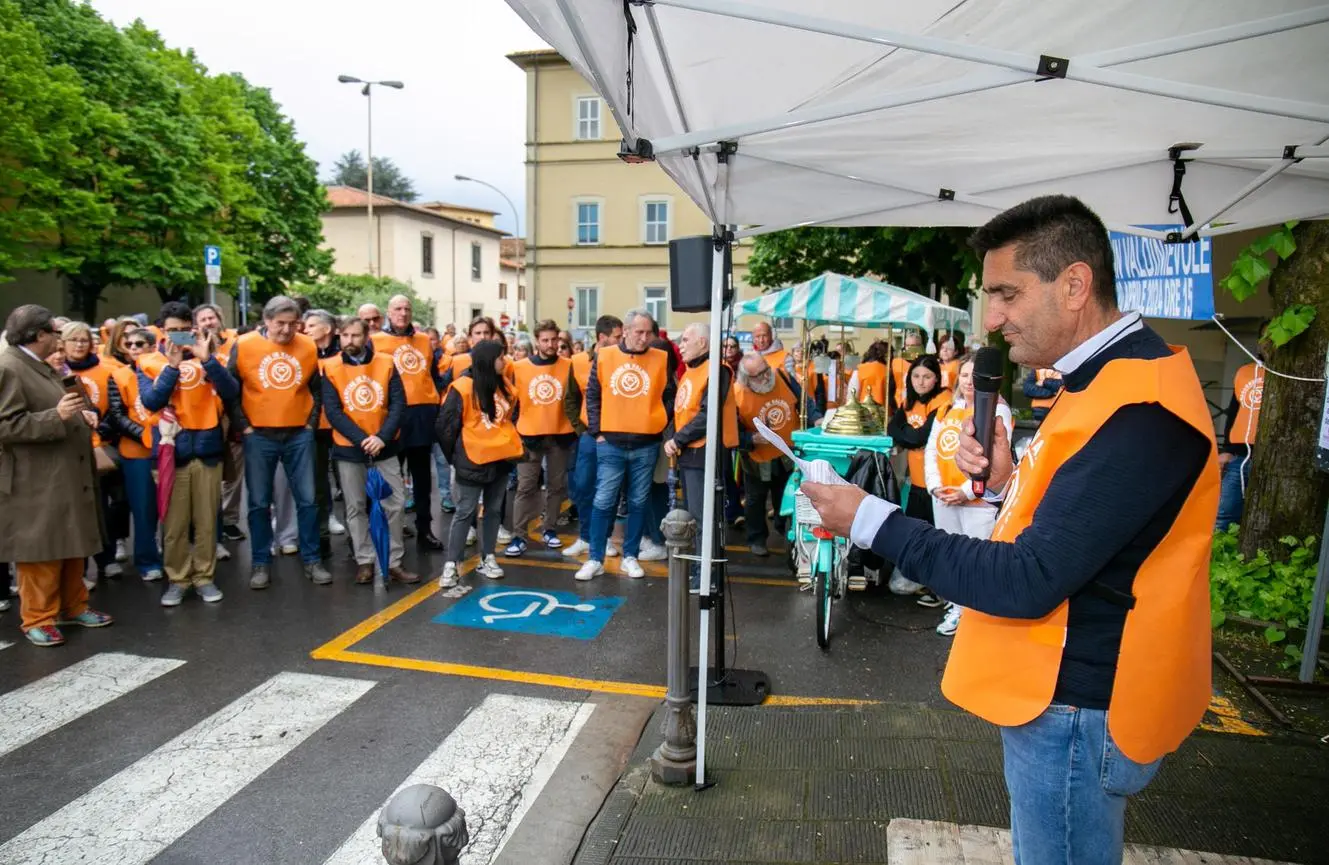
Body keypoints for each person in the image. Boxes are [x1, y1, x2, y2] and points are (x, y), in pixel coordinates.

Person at [801, 194, 1218, 865]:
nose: (991, 318)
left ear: (1075, 284)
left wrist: (870, 518)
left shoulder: (1139, 405)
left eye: (1006, 293)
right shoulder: (1102, 382)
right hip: (1059, 692)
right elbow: (1083, 524)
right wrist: (1002, 482)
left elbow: (1028, 578)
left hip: (1075, 703)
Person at [0, 305, 113, 646]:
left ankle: (74, 606)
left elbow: (62, 405)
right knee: (42, 550)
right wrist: (56, 416)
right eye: (54, 331)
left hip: (63, 473)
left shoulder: (38, 364)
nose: (59, 337)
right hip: (36, 480)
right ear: (39, 336)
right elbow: (6, 425)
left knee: (71, 542)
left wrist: (83, 417)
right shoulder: (9, 367)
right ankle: (38, 618)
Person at [140, 302, 239, 606]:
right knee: (174, 524)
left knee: (208, 520)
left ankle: (205, 577)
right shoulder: (149, 361)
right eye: (173, 331)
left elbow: (231, 392)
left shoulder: (211, 357)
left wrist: (207, 361)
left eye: (185, 331)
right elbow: (152, 401)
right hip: (172, 454)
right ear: (162, 330)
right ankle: (178, 579)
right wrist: (171, 367)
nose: (180, 336)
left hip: (207, 449)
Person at [228, 295, 330, 589]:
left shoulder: (308, 345)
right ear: (267, 322)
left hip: (298, 433)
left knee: (308, 500)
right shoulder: (245, 345)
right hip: (259, 434)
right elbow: (231, 390)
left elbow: (315, 388)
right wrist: (243, 426)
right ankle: (261, 562)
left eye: (291, 324)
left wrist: (311, 425)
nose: (286, 330)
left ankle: (312, 560)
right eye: (279, 324)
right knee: (259, 503)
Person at [577, 309, 675, 581]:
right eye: (639, 332)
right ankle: (595, 557)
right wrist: (597, 432)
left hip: (646, 443)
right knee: (603, 500)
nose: (644, 338)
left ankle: (629, 555)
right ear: (628, 330)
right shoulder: (606, 356)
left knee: (638, 501)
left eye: (648, 333)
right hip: (610, 442)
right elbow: (593, 394)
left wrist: (658, 420)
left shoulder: (661, 358)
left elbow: (670, 394)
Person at [322, 316, 418, 585]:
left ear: (366, 337)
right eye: (344, 336)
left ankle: (394, 561)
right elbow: (333, 411)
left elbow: (398, 404)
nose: (349, 341)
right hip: (349, 449)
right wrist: (364, 439)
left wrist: (381, 438)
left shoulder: (386, 363)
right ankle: (365, 560)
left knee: (395, 504)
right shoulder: (330, 368)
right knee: (355, 508)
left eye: (355, 336)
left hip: (385, 448)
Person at [923, 354, 1012, 636]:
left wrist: (965, 492)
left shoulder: (998, 409)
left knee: (976, 560)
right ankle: (956, 608)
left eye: (975, 375)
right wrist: (935, 485)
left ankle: (973, 616)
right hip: (944, 498)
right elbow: (932, 451)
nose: (969, 381)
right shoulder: (946, 408)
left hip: (978, 503)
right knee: (950, 556)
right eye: (964, 375)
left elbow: (998, 459)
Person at [435, 339, 522, 586]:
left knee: (494, 510)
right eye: (500, 357)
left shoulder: (505, 386)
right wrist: (456, 456)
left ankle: (489, 557)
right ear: (486, 360)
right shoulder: (462, 387)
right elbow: (445, 427)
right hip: (472, 461)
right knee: (465, 511)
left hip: (501, 459)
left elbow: (511, 417)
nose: (504, 361)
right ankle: (452, 564)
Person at [664, 323, 738, 588]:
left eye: (685, 339)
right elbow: (682, 412)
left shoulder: (716, 371)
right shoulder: (692, 372)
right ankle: (701, 569)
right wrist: (673, 438)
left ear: (703, 343)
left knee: (704, 517)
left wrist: (677, 438)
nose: (680, 345)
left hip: (704, 452)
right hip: (690, 452)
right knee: (697, 515)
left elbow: (707, 415)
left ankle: (706, 574)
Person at [372, 295, 446, 551]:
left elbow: (433, 376)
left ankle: (425, 530)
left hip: (421, 414)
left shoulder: (424, 340)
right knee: (392, 477)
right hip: (392, 415)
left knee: (423, 478)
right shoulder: (376, 341)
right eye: (397, 309)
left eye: (407, 309)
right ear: (388, 313)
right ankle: (392, 530)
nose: (403, 313)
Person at [62, 322, 129, 582]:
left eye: (84, 340)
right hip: (74, 449)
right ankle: (85, 565)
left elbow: (116, 407)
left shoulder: (107, 370)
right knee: (89, 508)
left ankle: (109, 555)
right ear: (63, 343)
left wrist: (103, 430)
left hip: (106, 444)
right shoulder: (55, 372)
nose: (79, 344)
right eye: (73, 340)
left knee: (118, 502)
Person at [733, 351, 811, 557]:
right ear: (746, 378)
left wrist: (817, 418)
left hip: (786, 453)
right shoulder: (737, 394)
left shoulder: (782, 376)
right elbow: (731, 432)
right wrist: (752, 439)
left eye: (766, 370)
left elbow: (804, 401)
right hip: (757, 458)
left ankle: (783, 529)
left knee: (785, 496)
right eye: (758, 375)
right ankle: (757, 538)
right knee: (755, 500)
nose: (766, 377)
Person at [509, 320, 576, 556]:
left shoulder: (569, 365)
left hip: (560, 434)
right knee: (525, 487)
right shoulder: (519, 367)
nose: (550, 344)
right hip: (529, 435)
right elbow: (512, 401)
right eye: (545, 340)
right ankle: (519, 535)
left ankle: (550, 529)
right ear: (537, 341)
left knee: (556, 487)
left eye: (554, 339)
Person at [107, 326, 165, 582]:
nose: (133, 349)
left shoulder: (166, 371)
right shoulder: (118, 375)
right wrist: (145, 437)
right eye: (128, 344)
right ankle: (147, 560)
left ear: (152, 347)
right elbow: (117, 415)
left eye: (139, 344)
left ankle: (174, 558)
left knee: (172, 509)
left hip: (169, 449)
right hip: (136, 451)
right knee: (143, 509)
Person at [563, 315, 623, 560]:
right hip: (589, 436)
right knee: (583, 487)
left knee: (608, 489)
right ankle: (586, 537)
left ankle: (604, 538)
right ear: (602, 337)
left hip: (613, 435)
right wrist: (582, 429)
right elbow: (570, 399)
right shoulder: (577, 361)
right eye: (617, 337)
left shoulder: (621, 360)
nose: (621, 340)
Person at [194, 304, 247, 542]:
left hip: (231, 414)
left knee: (234, 473)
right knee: (209, 476)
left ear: (220, 318)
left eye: (211, 317)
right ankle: (206, 524)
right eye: (203, 319)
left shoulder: (236, 344)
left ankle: (229, 520)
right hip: (203, 416)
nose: (208, 322)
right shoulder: (190, 348)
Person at [305, 309, 344, 552]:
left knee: (347, 482)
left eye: (311, 325)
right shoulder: (304, 354)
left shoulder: (344, 354)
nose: (305, 330)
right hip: (314, 425)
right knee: (318, 480)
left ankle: (359, 539)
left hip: (342, 427)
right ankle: (323, 527)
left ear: (327, 329)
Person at [1216, 358, 1264, 532]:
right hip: (1240, 455)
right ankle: (1220, 555)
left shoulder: (1291, 374)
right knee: (1225, 513)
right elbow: (1233, 412)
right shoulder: (1245, 372)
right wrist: (1227, 449)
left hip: (1274, 456)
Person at [849, 340, 890, 405]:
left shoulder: (860, 369)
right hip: (883, 411)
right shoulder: (888, 371)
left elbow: (852, 394)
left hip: (864, 410)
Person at [890, 330, 924, 407]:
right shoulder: (896, 362)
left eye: (913, 345)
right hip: (899, 403)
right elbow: (891, 385)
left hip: (919, 403)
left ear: (920, 346)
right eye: (908, 345)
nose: (910, 348)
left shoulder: (925, 362)